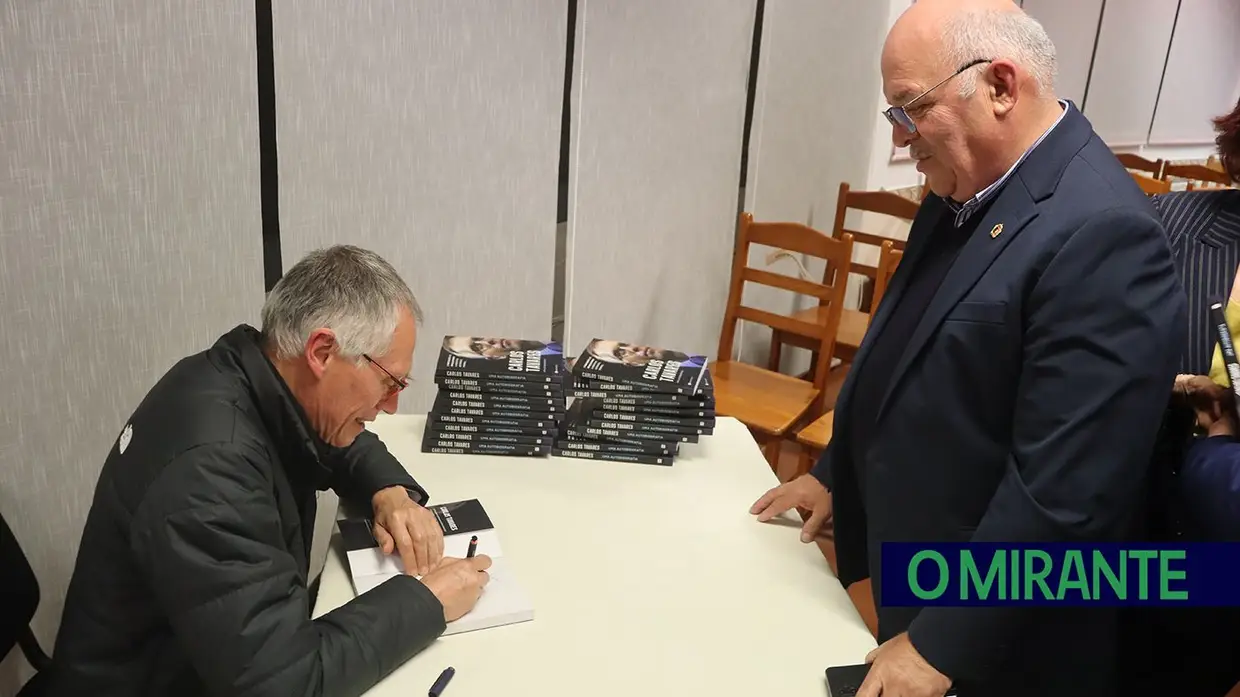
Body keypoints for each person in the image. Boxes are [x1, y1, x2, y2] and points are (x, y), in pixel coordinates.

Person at [749, 1, 1186, 695]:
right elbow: (905, 344)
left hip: (1000, 642)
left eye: (909, 109)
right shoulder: (969, 182)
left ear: (1000, 87)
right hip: (917, 581)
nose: (901, 141)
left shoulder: (1105, 234)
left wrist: (939, 643)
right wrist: (835, 472)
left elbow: (1064, 492)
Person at [44, 245, 493, 696]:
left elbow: (331, 440)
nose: (392, 405)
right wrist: (428, 601)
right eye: (389, 382)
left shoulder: (244, 375)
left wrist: (389, 492)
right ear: (322, 351)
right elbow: (282, 684)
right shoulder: (211, 473)